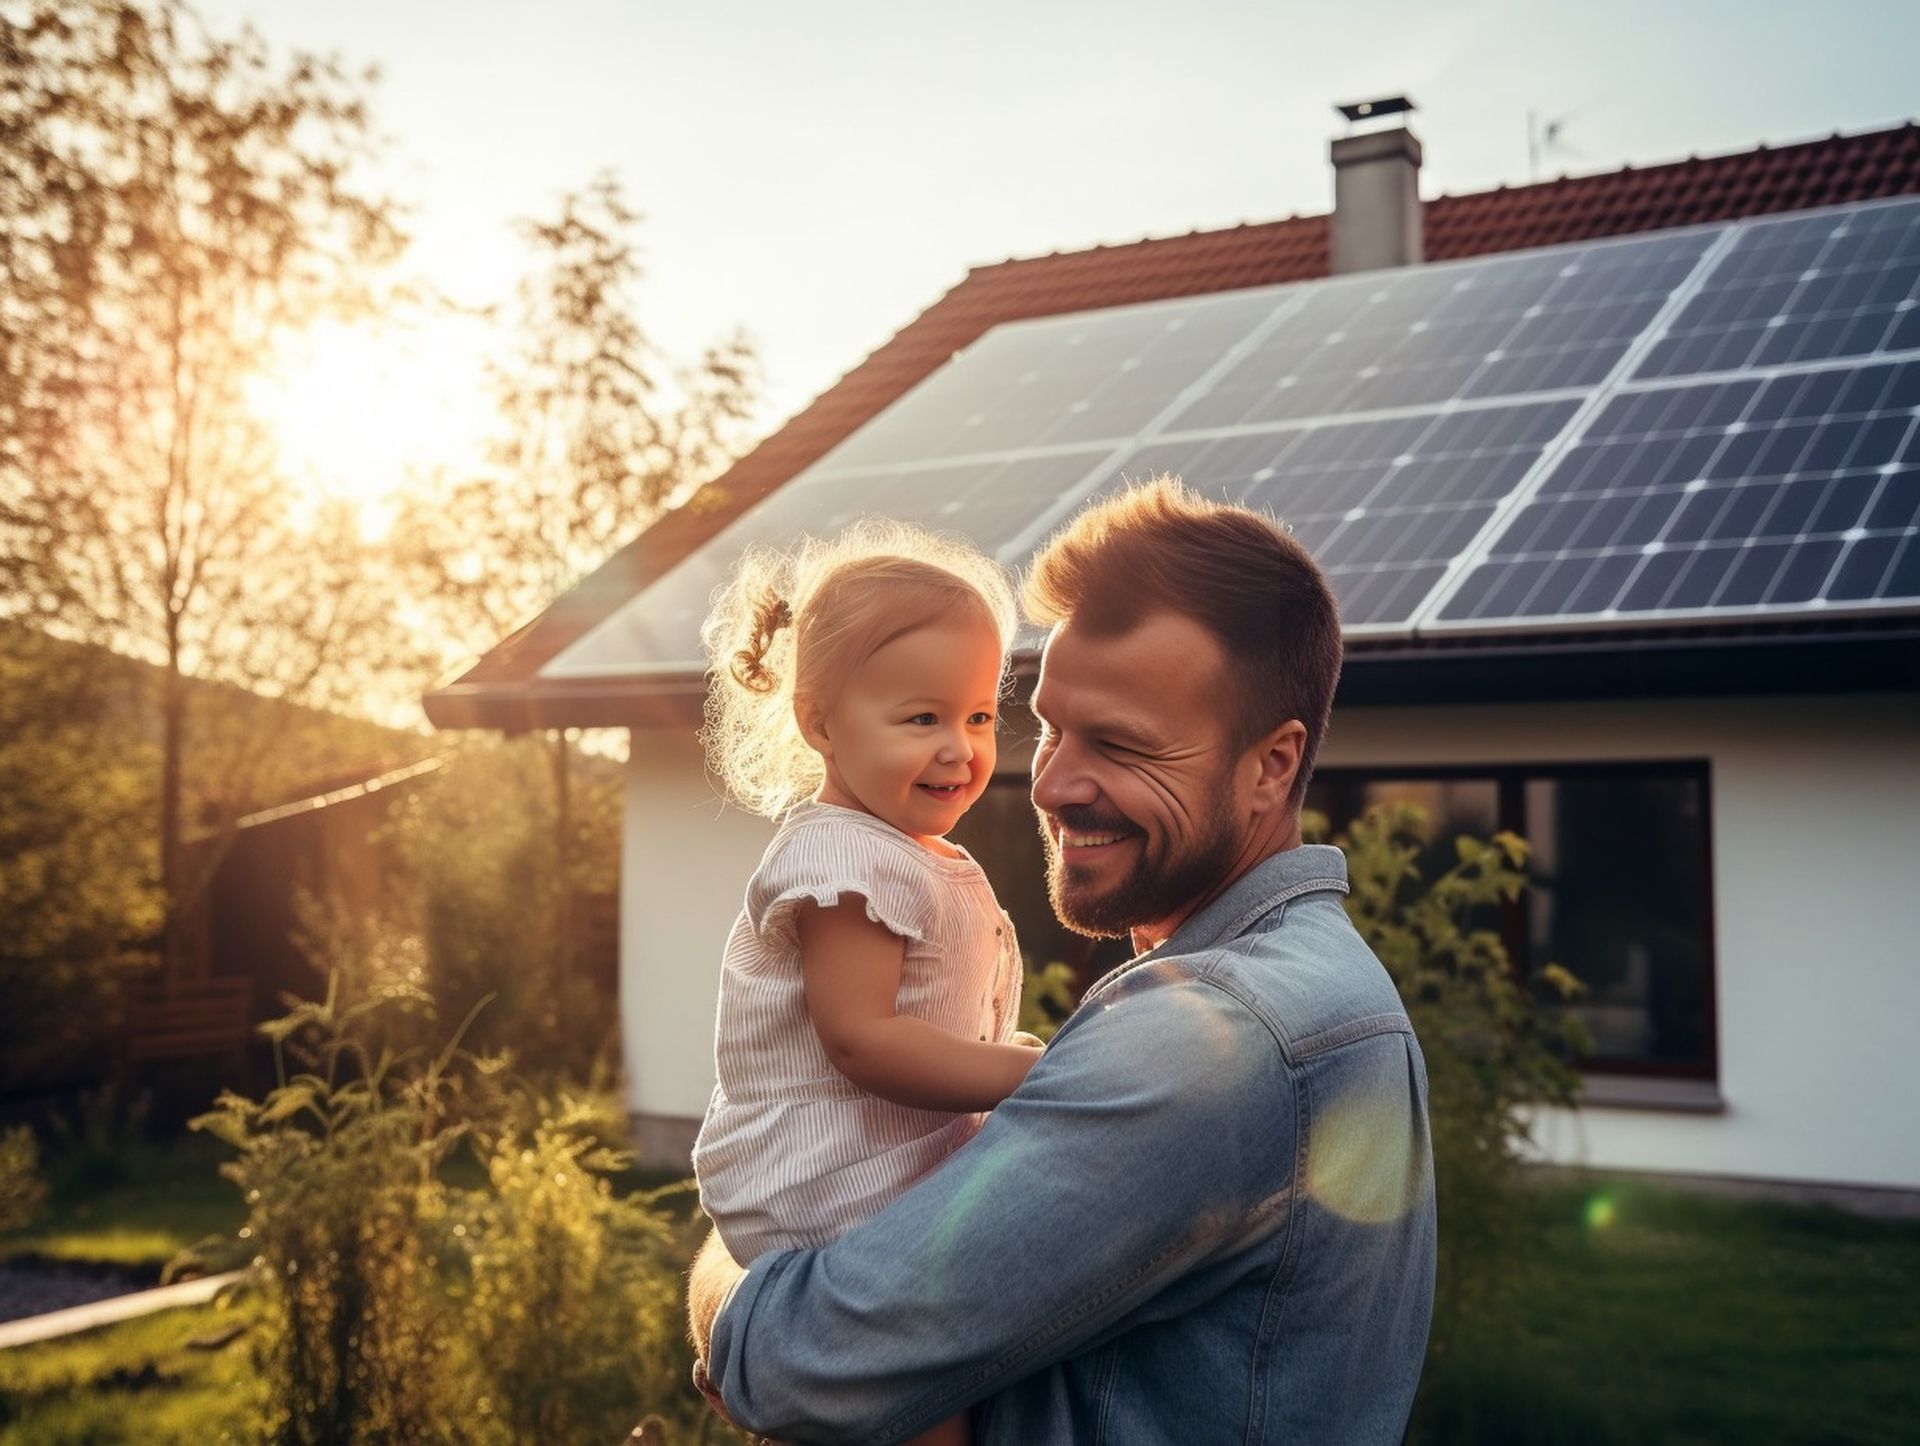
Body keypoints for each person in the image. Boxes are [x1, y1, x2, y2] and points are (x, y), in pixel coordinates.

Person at [690, 478, 1437, 1445]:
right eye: (1048, 725)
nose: (1048, 781)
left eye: (1121, 745)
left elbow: (797, 1360)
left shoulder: (1215, 1042)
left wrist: (727, 1273)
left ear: (1272, 767)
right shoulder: (1317, 986)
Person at [692, 519, 1046, 1446]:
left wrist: (998, 1055)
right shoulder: (843, 858)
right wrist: (1023, 1077)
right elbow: (865, 1039)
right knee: (918, 1397)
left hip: (872, 1177)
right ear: (821, 723)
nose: (960, 748)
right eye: (921, 718)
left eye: (977, 717)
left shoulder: (907, 853)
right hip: (830, 1183)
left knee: (932, 1390)